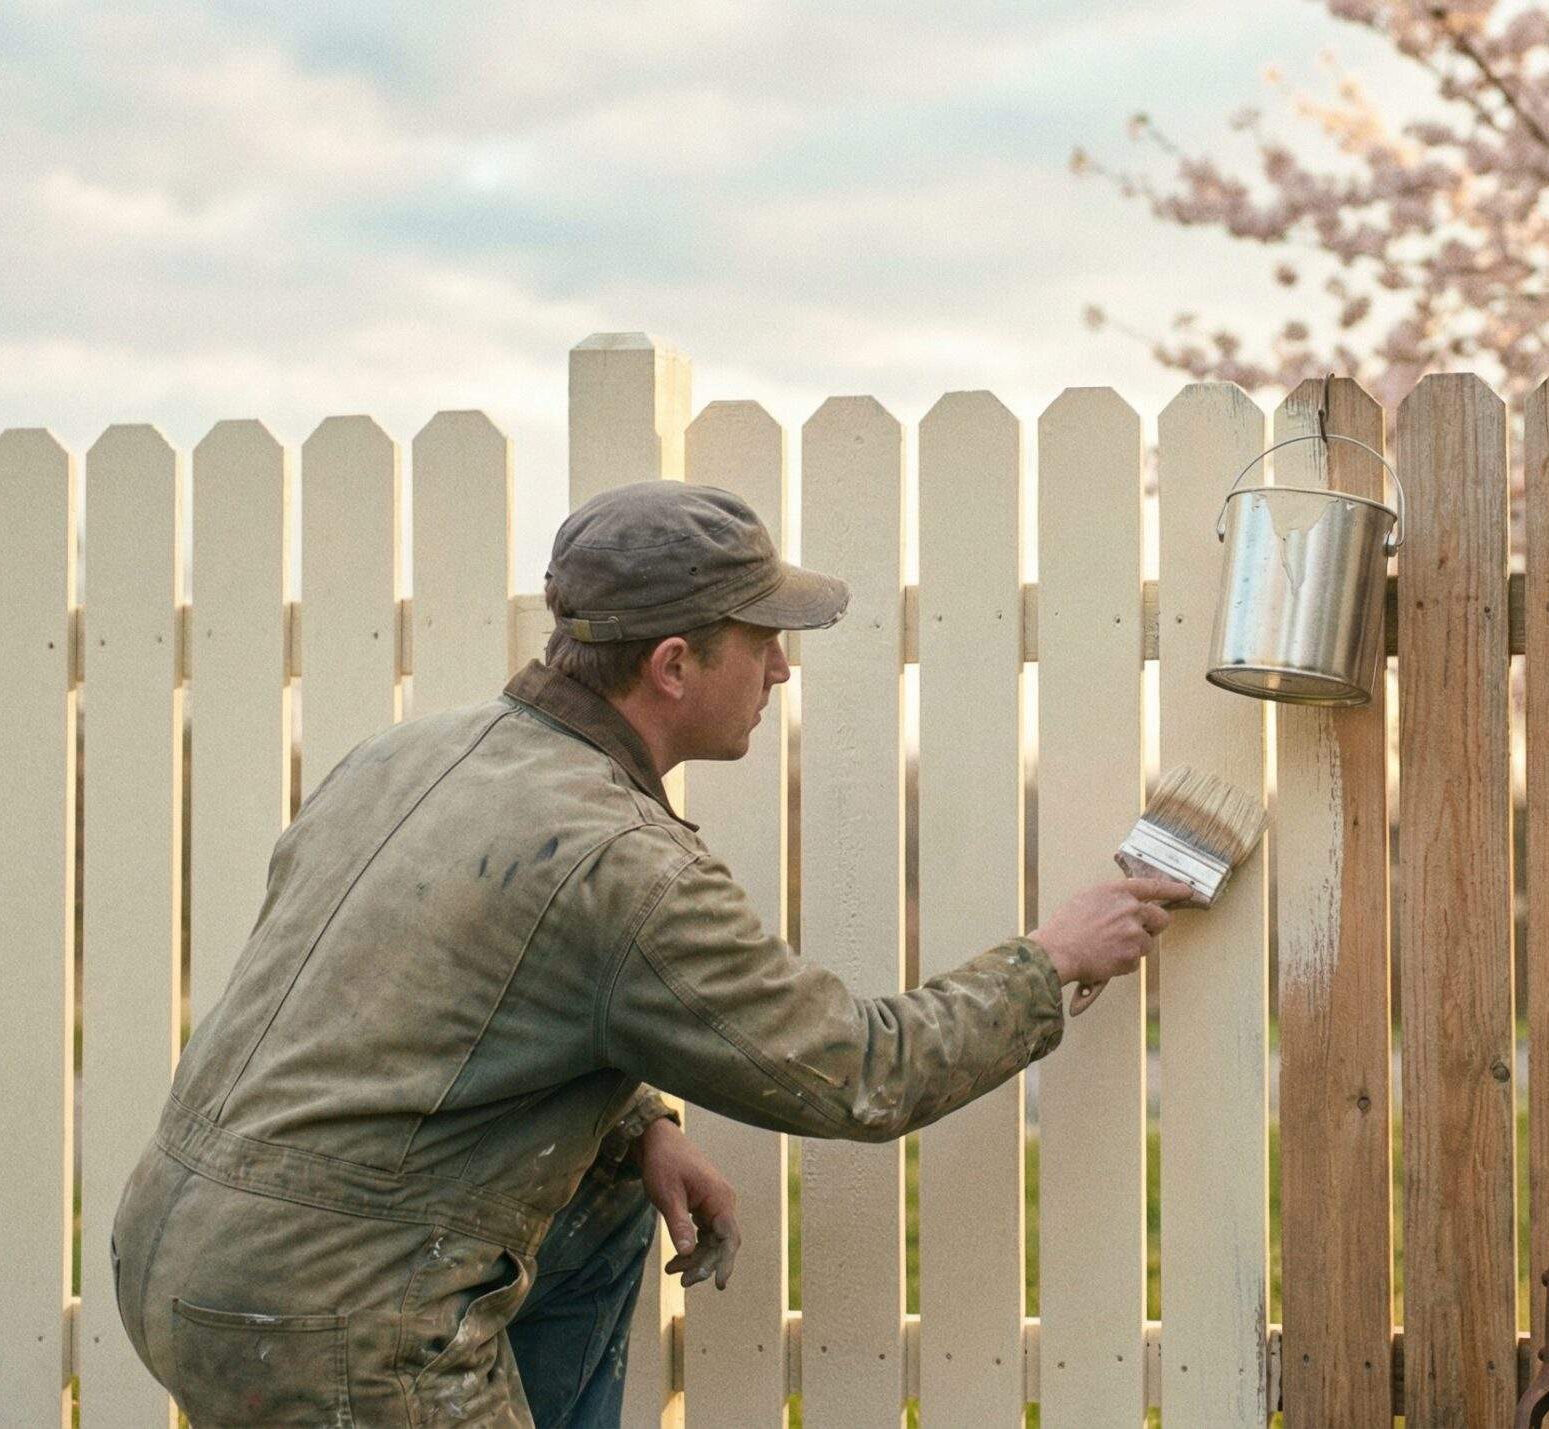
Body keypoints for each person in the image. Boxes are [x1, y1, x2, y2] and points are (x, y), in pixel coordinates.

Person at [110, 480, 1189, 1426]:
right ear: (673, 664)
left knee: (605, 1202)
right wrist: (1052, 960)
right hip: (324, 1320)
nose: (780, 668)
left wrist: (636, 1128)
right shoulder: (623, 864)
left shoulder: (409, 755)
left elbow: (426, 1012)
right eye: (760, 639)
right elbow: (858, 1071)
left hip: (177, 1245)